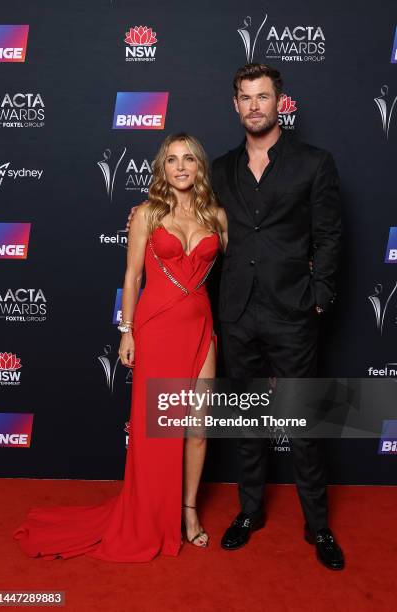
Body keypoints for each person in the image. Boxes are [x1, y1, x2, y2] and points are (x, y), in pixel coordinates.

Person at [13, 133, 228, 561]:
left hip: (201, 328)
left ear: (200, 166)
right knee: (156, 432)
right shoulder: (147, 214)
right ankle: (150, 517)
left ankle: (188, 512)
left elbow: (249, 263)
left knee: (199, 429)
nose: (181, 167)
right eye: (172, 160)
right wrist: (126, 330)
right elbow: (131, 276)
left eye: (188, 159)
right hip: (156, 326)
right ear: (162, 168)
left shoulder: (218, 217)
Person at [213, 63, 344, 570]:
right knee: (249, 419)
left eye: (262, 97)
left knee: (305, 421)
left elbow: (330, 235)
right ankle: (249, 513)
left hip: (293, 310)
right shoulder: (222, 168)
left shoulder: (315, 163)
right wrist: (145, 214)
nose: (254, 106)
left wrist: (320, 295)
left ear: (279, 102)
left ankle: (318, 524)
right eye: (245, 97)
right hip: (238, 310)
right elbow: (190, 215)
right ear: (236, 105)